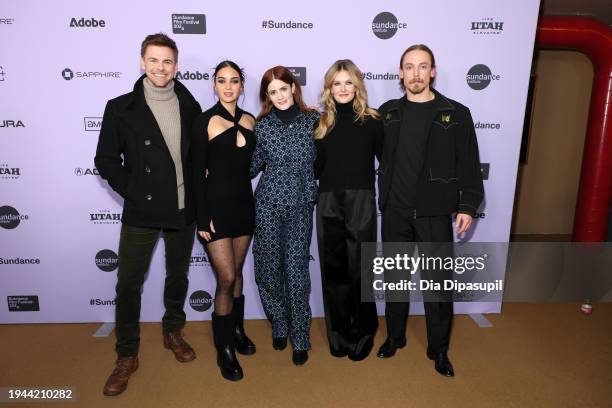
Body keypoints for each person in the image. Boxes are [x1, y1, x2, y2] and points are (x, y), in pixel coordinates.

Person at [95, 33, 202, 396]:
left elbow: (197, 158)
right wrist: (135, 189)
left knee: (178, 276)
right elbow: (105, 160)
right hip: (141, 210)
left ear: (176, 65)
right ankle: (126, 354)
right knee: (128, 284)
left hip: (182, 208)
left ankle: (173, 330)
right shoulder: (120, 107)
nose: (160, 67)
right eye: (153, 60)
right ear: (142, 62)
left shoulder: (190, 105)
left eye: (167, 61)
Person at [376, 44, 484, 377]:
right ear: (400, 73)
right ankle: (395, 337)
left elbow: (468, 162)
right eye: (409, 67)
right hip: (395, 211)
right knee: (395, 281)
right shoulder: (388, 113)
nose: (416, 73)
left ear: (433, 72)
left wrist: (468, 204)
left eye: (423, 67)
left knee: (438, 285)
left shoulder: (456, 112)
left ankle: (439, 350)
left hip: (435, 212)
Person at [250, 66, 319, 366]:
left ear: (293, 88)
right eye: (272, 91)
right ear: (267, 95)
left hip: (301, 205)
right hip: (267, 204)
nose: (279, 96)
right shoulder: (261, 126)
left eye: (283, 88)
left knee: (296, 270)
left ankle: (300, 335)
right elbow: (250, 167)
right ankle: (279, 322)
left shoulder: (314, 121)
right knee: (267, 266)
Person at [313, 59, 382, 361]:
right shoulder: (320, 123)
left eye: (348, 82)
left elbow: (391, 163)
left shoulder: (373, 121)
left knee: (360, 270)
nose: (342, 88)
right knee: (334, 271)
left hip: (361, 201)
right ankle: (338, 333)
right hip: (327, 200)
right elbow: (314, 168)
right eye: (336, 83)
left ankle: (364, 331)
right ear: (329, 88)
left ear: (357, 86)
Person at [192, 60, 256, 381]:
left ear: (242, 85)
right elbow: (195, 175)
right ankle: (224, 348)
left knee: (239, 273)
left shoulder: (251, 120)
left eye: (234, 81)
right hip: (215, 212)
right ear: (214, 85)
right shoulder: (203, 121)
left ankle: (239, 331)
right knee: (227, 278)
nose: (228, 86)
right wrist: (202, 217)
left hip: (244, 207)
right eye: (221, 81)